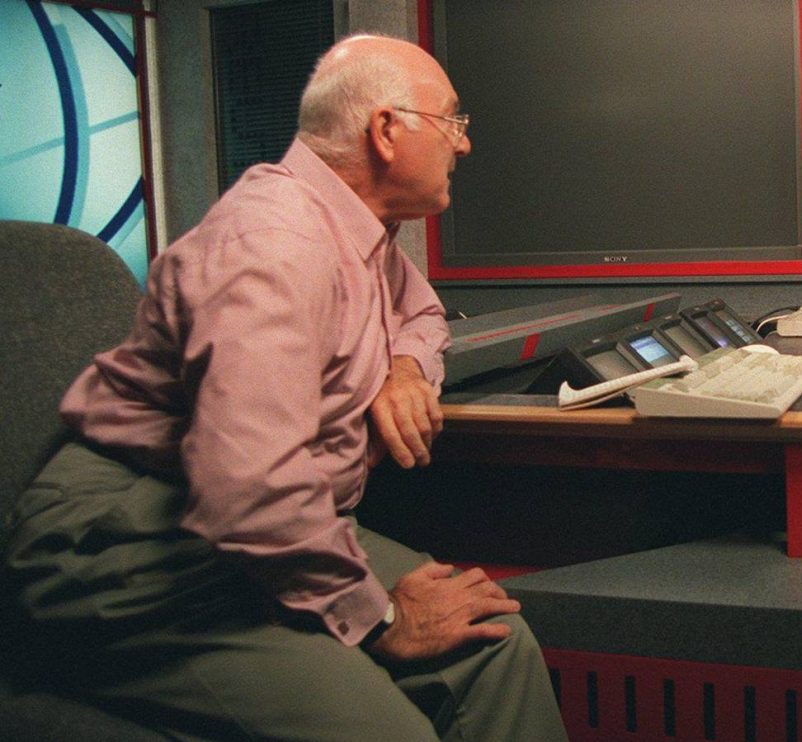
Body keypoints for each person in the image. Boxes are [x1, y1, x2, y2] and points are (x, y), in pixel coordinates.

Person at [3, 34, 569, 741]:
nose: (463, 143)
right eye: (451, 120)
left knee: (494, 646)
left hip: (267, 516)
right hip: (131, 545)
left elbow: (422, 314)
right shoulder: (273, 247)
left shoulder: (359, 231)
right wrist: (383, 619)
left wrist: (402, 370)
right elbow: (250, 486)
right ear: (386, 131)